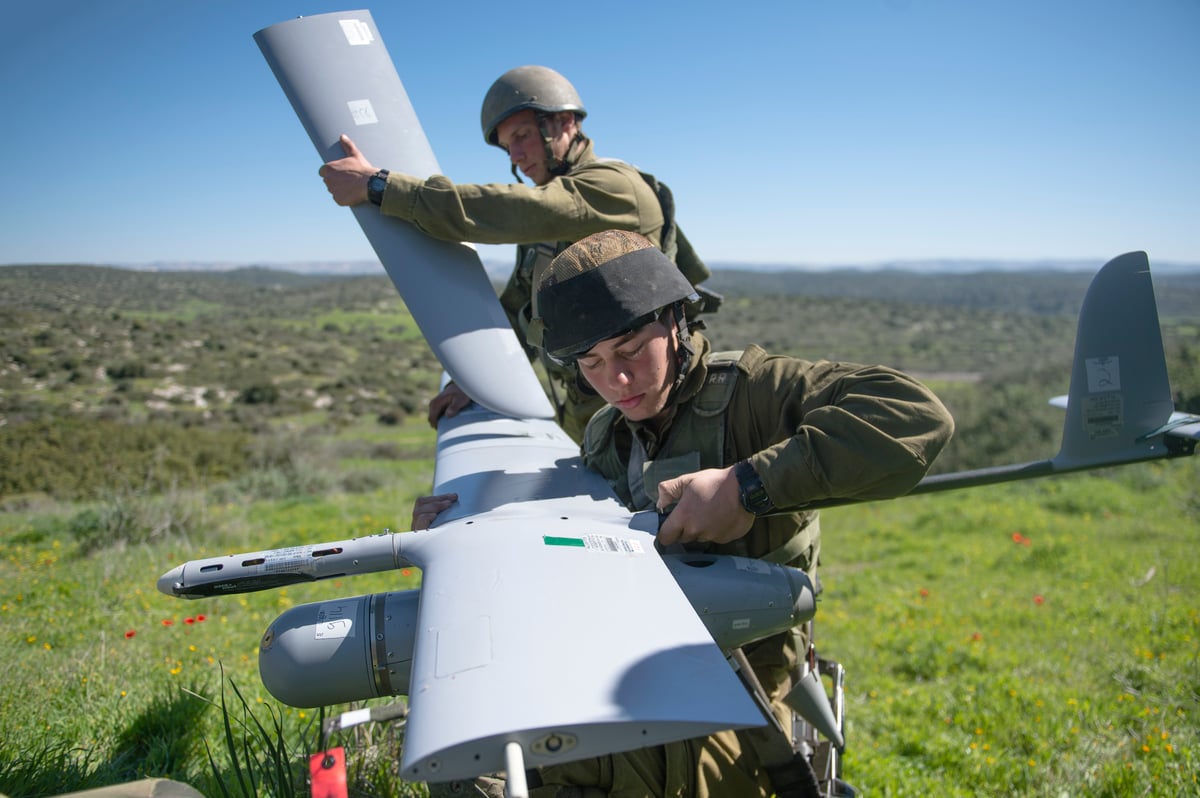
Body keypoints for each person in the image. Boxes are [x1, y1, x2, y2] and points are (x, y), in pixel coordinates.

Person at [414, 230, 956, 797]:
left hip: (740, 697)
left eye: (628, 350)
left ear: (675, 319)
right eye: (591, 363)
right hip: (638, 670)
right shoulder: (607, 433)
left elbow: (915, 416)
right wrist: (465, 525)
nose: (614, 381)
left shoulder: (755, 395)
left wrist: (747, 485)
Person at [319, 65, 716, 442]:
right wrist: (478, 382)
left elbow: (515, 210)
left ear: (564, 123)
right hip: (598, 408)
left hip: (661, 407)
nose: (516, 156)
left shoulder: (610, 186)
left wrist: (381, 188)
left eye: (522, 136)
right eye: (508, 146)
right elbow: (521, 310)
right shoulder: (553, 215)